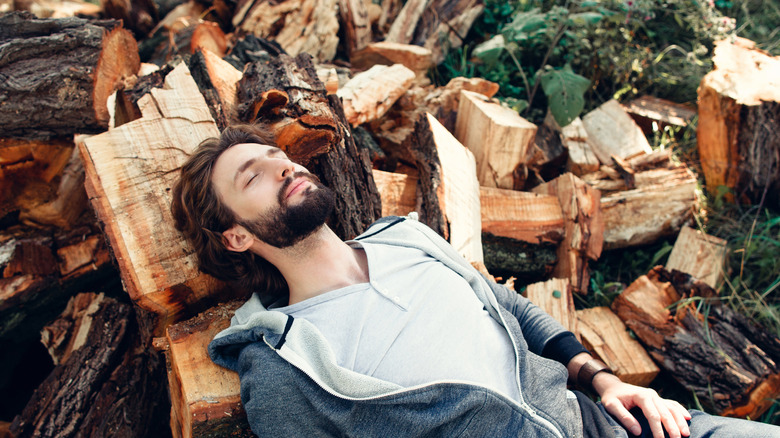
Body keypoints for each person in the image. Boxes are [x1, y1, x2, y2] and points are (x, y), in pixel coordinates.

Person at [171, 124, 779, 438]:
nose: (284, 165)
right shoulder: (285, 366)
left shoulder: (406, 238)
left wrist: (608, 382)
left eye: (279, 156)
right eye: (254, 176)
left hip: (604, 423)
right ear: (236, 237)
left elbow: (512, 312)